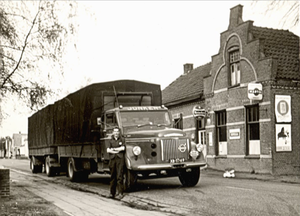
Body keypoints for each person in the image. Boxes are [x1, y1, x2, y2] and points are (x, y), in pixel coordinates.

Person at [107, 127, 125, 199]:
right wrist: (117, 150)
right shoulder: (110, 140)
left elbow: (123, 148)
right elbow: (108, 150)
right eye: (115, 131)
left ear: (119, 132)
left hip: (120, 160)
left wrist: (114, 149)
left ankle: (120, 193)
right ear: (113, 132)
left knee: (119, 176)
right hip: (112, 159)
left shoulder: (122, 139)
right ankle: (112, 193)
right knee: (112, 176)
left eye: (117, 131)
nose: (116, 133)